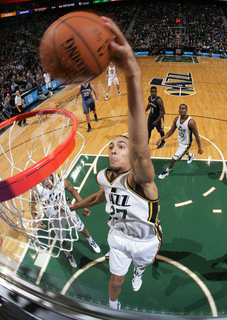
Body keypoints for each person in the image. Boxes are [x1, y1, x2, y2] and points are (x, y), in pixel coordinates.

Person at [69, 17, 162, 311]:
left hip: (146, 240)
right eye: (112, 147)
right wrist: (74, 206)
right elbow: (101, 196)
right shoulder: (104, 176)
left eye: (120, 146)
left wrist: (133, 74)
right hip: (118, 236)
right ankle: (112, 307)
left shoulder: (141, 179)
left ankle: (140, 270)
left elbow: (141, 150)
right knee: (115, 281)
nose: (114, 150)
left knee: (139, 266)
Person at [30, 174, 101, 268]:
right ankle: (69, 254)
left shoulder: (61, 180)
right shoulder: (36, 190)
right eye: (42, 179)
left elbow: (72, 190)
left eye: (47, 177)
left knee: (82, 228)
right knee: (62, 239)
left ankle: (90, 241)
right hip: (54, 217)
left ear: (51, 174)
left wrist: (83, 206)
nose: (45, 180)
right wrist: (37, 220)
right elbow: (31, 206)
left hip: (67, 210)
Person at [156, 104, 203, 179]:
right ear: (178, 110)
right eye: (180, 108)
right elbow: (170, 132)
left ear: (186, 110)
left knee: (174, 159)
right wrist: (161, 139)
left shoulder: (191, 122)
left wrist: (199, 147)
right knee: (182, 152)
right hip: (180, 141)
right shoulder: (176, 119)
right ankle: (191, 155)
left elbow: (197, 135)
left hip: (186, 144)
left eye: (183, 108)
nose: (181, 110)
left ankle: (166, 171)